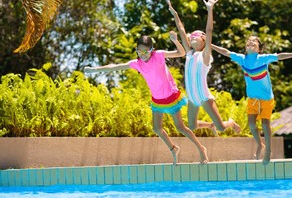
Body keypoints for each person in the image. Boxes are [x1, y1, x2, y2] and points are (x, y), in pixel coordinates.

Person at [84, 31, 208, 165]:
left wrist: (175, 41)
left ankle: (201, 149)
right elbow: (115, 67)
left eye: (145, 52)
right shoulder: (137, 63)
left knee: (180, 128)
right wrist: (95, 70)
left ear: (152, 50)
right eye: (139, 52)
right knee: (156, 128)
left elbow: (181, 53)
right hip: (157, 100)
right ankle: (173, 148)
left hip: (171, 96)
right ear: (136, 50)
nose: (142, 55)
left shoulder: (159, 55)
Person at [212, 36, 292, 164]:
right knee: (252, 125)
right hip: (252, 98)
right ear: (246, 48)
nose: (251, 42)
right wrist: (211, 45)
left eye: (254, 41)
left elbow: (280, 56)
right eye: (248, 41)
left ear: (259, 49)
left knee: (264, 124)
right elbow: (226, 52)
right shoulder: (242, 59)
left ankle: (268, 150)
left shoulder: (263, 59)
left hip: (266, 98)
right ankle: (260, 144)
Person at [167, 0, 241, 137]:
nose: (193, 36)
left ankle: (230, 123)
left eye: (197, 36)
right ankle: (209, 126)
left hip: (204, 97)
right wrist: (175, 14)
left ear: (204, 41)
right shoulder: (189, 54)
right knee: (193, 126)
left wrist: (210, 9)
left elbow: (209, 30)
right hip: (192, 97)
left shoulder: (205, 55)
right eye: (192, 35)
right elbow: (181, 29)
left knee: (221, 127)